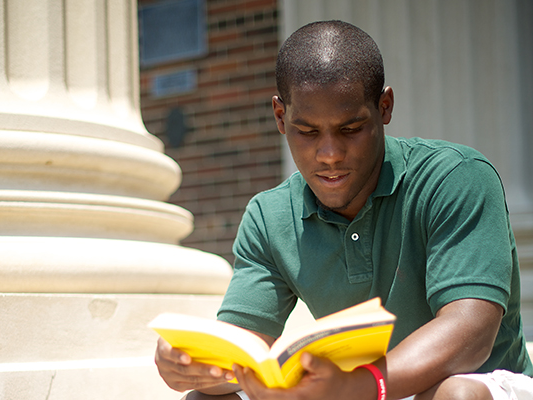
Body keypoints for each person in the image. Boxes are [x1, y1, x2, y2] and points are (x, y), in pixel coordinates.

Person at [155, 20, 533, 400]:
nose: (330, 155)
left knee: (456, 394)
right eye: (307, 132)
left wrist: (360, 385)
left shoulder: (456, 177)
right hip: (353, 391)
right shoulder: (269, 218)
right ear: (279, 117)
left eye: (351, 129)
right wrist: (193, 366)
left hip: (476, 382)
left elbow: (470, 335)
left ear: (384, 107)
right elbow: (245, 348)